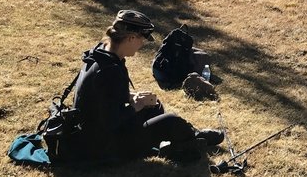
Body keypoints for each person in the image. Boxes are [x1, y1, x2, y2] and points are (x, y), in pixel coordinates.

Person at [73, 9, 223, 162]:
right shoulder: (109, 70)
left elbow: (103, 97)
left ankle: (183, 139)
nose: (142, 44)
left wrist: (132, 96)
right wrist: (136, 105)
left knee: (154, 106)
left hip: (91, 135)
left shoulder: (101, 54)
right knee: (170, 120)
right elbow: (110, 122)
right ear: (131, 38)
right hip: (104, 148)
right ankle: (190, 139)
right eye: (142, 39)